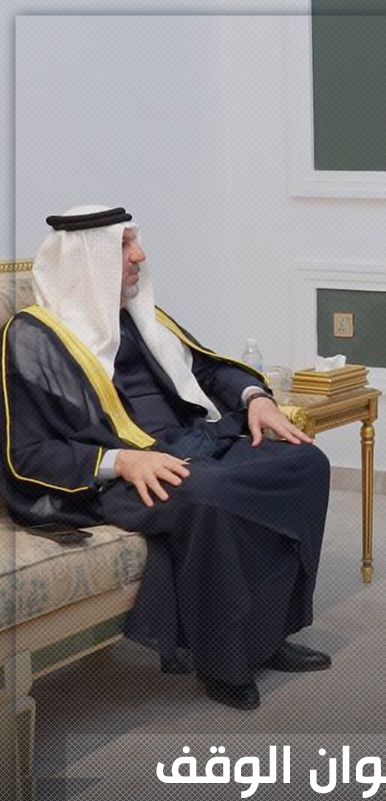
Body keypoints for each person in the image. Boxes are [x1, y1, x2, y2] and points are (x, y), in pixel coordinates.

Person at [0, 206, 333, 710]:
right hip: (117, 478)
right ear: (88, 259)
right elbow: (28, 453)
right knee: (211, 496)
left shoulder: (140, 315)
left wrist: (256, 398)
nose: (140, 255)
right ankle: (224, 665)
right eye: (124, 245)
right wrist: (121, 461)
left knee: (305, 464)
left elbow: (209, 369)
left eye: (135, 242)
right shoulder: (32, 339)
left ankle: (268, 637)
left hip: (192, 445)